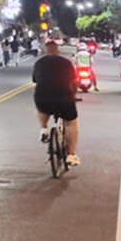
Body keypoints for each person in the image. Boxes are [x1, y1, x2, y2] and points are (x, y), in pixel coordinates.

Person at [32, 39, 80, 167]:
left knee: (42, 109)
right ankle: (71, 154)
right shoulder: (66, 63)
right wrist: (73, 95)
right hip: (64, 97)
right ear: (58, 50)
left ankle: (44, 129)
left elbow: (35, 80)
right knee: (71, 123)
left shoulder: (39, 63)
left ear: (45, 50)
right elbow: (75, 80)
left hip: (43, 97)